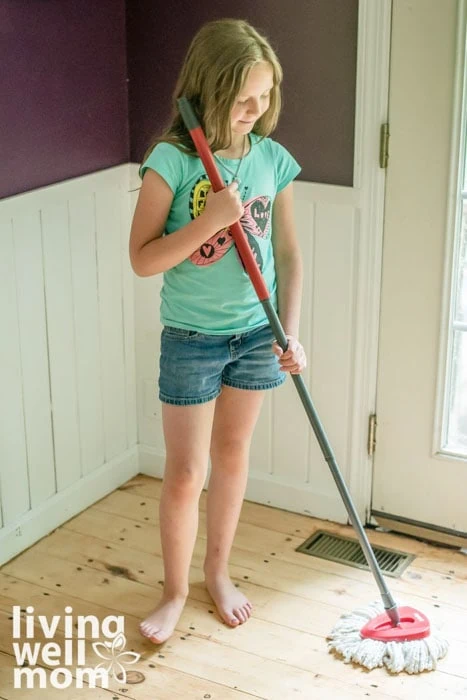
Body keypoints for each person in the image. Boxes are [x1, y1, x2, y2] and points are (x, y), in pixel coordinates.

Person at [129, 17, 306, 645]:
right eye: (242, 101)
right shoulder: (171, 160)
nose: (256, 113)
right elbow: (144, 258)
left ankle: (217, 572)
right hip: (192, 338)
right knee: (185, 472)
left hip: (258, 334)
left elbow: (287, 255)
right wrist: (213, 220)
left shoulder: (271, 159)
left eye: (265, 99)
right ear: (207, 91)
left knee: (232, 460)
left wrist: (288, 332)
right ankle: (174, 589)